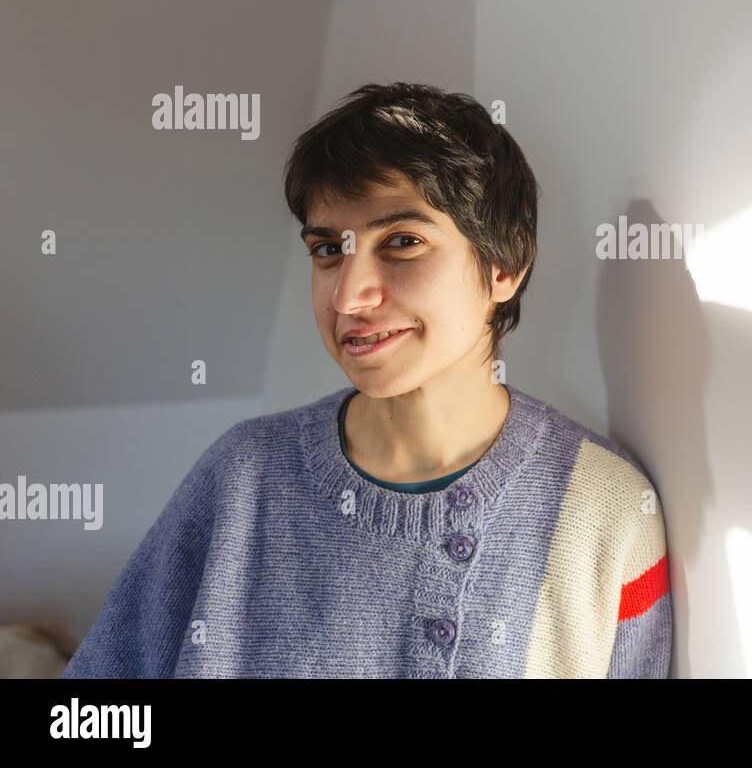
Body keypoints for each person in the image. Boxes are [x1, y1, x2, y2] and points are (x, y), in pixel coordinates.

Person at [62, 82, 672, 678]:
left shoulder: (608, 512)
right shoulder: (241, 478)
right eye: (328, 250)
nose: (350, 297)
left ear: (504, 264)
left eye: (403, 242)